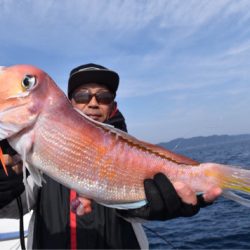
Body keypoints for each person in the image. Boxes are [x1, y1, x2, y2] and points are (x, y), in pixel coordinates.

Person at [0, 63, 222, 249]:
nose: (93, 102)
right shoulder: (33, 151)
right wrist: (4, 182)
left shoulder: (132, 158)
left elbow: (136, 215)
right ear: (69, 103)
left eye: (104, 97)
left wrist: (149, 207)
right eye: (83, 95)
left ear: (113, 107)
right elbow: (15, 206)